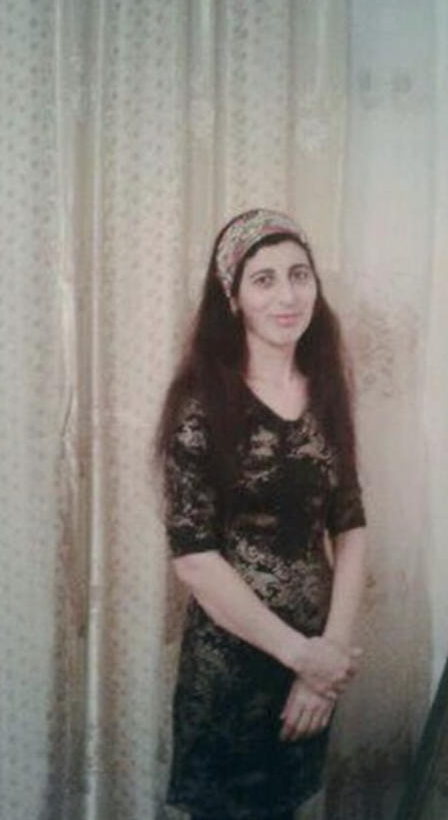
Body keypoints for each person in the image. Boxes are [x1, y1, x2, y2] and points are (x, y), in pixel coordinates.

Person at [155, 209, 368, 820]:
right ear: (233, 298)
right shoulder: (199, 405)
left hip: (312, 674)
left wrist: (328, 657)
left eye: (300, 275)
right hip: (232, 675)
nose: (287, 296)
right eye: (264, 279)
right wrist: (305, 658)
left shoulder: (327, 390)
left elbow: (351, 526)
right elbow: (194, 560)